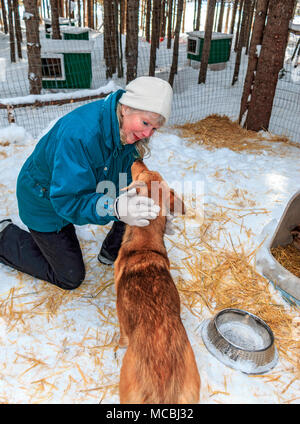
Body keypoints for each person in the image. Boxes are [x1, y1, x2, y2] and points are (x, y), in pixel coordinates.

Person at [0, 76, 174, 291]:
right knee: (70, 277)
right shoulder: (79, 136)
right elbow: (68, 201)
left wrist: (152, 215)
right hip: (45, 200)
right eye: (145, 123)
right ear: (126, 108)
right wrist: (115, 207)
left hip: (89, 185)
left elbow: (122, 179)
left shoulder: (125, 129)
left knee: (137, 203)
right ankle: (4, 236)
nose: (147, 134)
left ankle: (111, 252)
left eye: (154, 128)